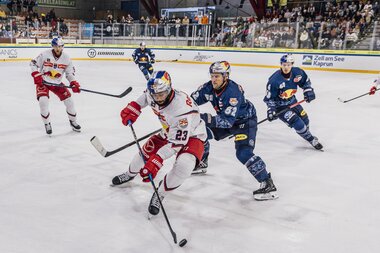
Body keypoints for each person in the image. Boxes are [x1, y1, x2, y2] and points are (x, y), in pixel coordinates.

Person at [112, 71, 207, 215]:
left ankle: (160, 193)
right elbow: (145, 97)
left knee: (184, 166)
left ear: (169, 89)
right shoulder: (154, 92)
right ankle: (130, 174)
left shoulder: (181, 109)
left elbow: (177, 143)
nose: (158, 98)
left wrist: (157, 159)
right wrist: (135, 107)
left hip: (193, 135)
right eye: (155, 95)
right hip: (169, 130)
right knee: (145, 152)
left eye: (161, 94)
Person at [190, 61, 278, 201]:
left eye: (217, 76)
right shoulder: (208, 87)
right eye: (212, 76)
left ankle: (268, 183)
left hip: (245, 122)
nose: (213, 79)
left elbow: (226, 122)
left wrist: (204, 118)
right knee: (199, 131)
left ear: (226, 76)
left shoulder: (232, 92)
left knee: (243, 153)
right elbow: (190, 101)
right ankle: (202, 162)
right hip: (227, 119)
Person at [264, 54, 323, 150]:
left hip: (292, 101)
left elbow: (305, 82)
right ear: (281, 64)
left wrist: (308, 90)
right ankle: (311, 139)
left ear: (292, 64)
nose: (286, 67)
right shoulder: (274, 80)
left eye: (288, 64)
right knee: (297, 122)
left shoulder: (297, 73)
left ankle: (306, 134)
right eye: (284, 64)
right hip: (281, 107)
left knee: (305, 119)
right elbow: (270, 98)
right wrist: (271, 110)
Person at [30, 37, 81, 135]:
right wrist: (36, 75)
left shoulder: (66, 58)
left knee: (69, 101)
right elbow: (33, 63)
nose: (57, 48)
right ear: (52, 46)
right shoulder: (45, 54)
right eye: (55, 46)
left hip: (57, 83)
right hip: (43, 82)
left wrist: (73, 83)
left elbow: (69, 73)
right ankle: (47, 123)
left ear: (63, 47)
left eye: (60, 46)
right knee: (43, 101)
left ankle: (73, 121)